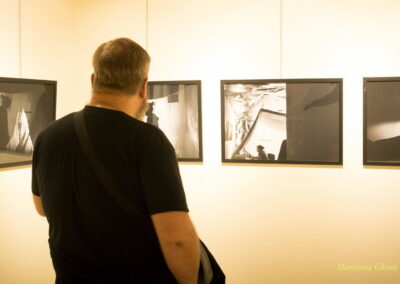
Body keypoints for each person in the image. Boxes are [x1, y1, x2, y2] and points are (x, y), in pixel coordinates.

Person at [32, 38, 200, 284]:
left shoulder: (48, 135)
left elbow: (42, 207)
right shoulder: (147, 140)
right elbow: (177, 239)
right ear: (143, 87)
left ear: (93, 80)